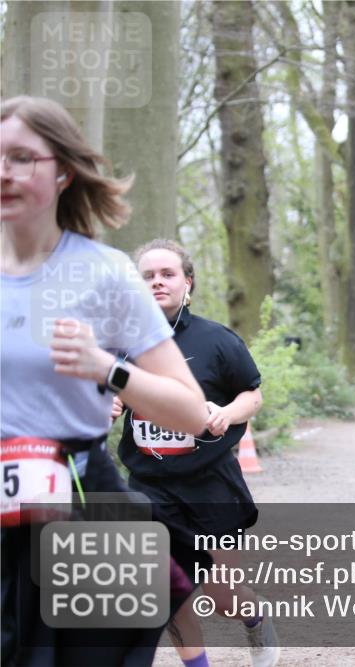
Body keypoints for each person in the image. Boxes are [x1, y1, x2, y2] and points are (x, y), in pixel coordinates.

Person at [0, 96, 208, 665]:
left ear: (64, 172)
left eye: (21, 157)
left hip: (79, 491)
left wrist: (107, 368)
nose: (3, 171)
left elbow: (191, 412)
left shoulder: (104, 273)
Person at [114, 239, 278, 667]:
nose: (156, 283)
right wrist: (106, 403)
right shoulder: (121, 345)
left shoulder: (216, 340)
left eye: (167, 274)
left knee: (222, 597)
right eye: (147, 276)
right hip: (150, 484)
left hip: (210, 485)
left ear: (187, 282)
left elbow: (253, 396)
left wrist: (227, 412)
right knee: (170, 589)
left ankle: (255, 617)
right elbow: (99, 398)